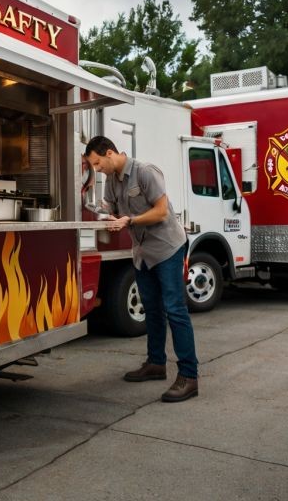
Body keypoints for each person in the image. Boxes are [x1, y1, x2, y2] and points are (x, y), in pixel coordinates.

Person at [84, 136, 199, 402]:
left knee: (175, 310)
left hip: (168, 248)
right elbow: (109, 208)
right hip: (142, 254)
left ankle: (189, 377)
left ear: (110, 153)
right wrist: (104, 214)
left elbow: (161, 213)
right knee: (152, 309)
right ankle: (156, 364)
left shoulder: (145, 172)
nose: (97, 169)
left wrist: (130, 220)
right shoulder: (111, 180)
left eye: (98, 163)